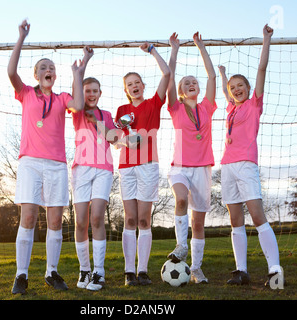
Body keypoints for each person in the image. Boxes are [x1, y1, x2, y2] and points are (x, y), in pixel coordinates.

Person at [8, 19, 93, 294]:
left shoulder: (61, 98)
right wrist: (21, 38)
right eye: (43, 67)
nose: (48, 70)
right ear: (36, 75)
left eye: (52, 68)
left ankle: (51, 272)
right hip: (30, 163)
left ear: (55, 77)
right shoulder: (26, 94)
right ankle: (21, 275)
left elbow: (79, 105)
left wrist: (80, 71)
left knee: (55, 221)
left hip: (57, 165)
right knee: (29, 218)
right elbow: (11, 71)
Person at [218, 24, 283, 287]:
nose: (236, 89)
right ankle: (241, 271)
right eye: (233, 87)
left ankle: (275, 271)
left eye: (240, 85)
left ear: (248, 88)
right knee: (235, 219)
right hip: (227, 166)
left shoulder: (254, 104)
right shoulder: (230, 108)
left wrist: (266, 40)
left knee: (257, 216)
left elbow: (261, 70)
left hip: (246, 164)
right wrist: (223, 75)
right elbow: (225, 90)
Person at [115, 42, 170, 286]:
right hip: (126, 168)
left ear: (143, 86)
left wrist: (152, 51)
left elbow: (167, 74)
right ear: (126, 90)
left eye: (137, 82)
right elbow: (114, 139)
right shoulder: (122, 110)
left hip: (148, 166)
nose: (134, 86)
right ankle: (129, 273)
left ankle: (143, 271)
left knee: (144, 220)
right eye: (130, 84)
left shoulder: (153, 104)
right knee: (129, 219)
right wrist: (127, 141)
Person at [166, 32, 217, 284]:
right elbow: (171, 76)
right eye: (186, 83)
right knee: (181, 200)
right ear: (180, 91)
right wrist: (174, 49)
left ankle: (196, 269)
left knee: (198, 223)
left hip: (203, 169)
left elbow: (211, 76)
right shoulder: (175, 108)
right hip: (180, 167)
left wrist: (200, 46)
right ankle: (180, 245)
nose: (191, 83)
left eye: (193, 81)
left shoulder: (206, 107)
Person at [71, 77, 118, 291]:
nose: (91, 94)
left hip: (103, 169)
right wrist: (79, 70)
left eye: (94, 91)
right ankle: (85, 269)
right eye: (87, 90)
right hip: (81, 169)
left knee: (97, 217)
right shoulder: (77, 111)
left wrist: (102, 125)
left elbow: (112, 137)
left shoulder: (106, 115)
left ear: (100, 93)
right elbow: (76, 98)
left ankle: (99, 271)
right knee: (81, 222)